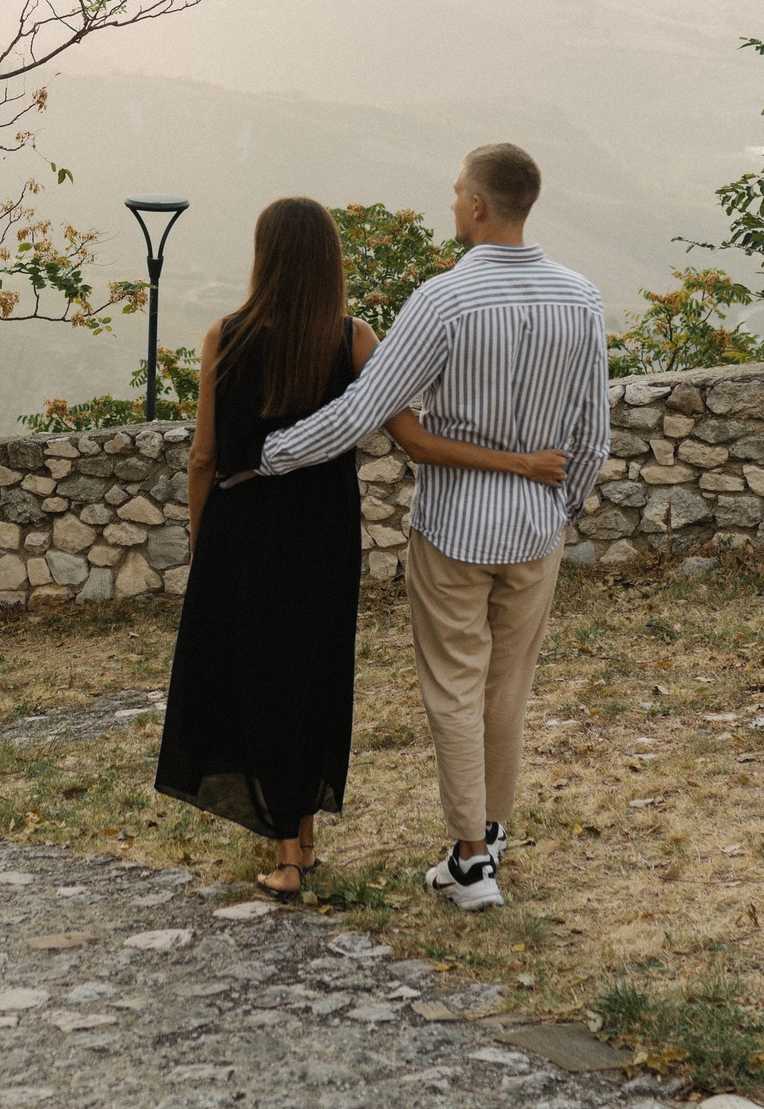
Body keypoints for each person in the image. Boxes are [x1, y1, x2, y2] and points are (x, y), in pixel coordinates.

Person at [152, 196, 568, 900]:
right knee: (313, 669)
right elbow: (414, 438)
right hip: (322, 532)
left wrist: (204, 540)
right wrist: (521, 462)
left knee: (261, 678)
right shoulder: (353, 339)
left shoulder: (225, 335)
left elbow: (203, 456)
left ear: (264, 256)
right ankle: (304, 839)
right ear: (328, 261)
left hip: (243, 530)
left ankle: (289, 857)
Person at [260, 144, 608, 912]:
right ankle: (486, 833)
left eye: (457, 193)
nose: (452, 204)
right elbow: (592, 436)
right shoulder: (582, 298)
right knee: (507, 689)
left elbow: (360, 410)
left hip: (452, 527)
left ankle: (473, 859)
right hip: (535, 532)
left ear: (480, 205)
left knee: (455, 685)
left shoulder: (442, 301)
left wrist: (272, 455)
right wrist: (559, 508)